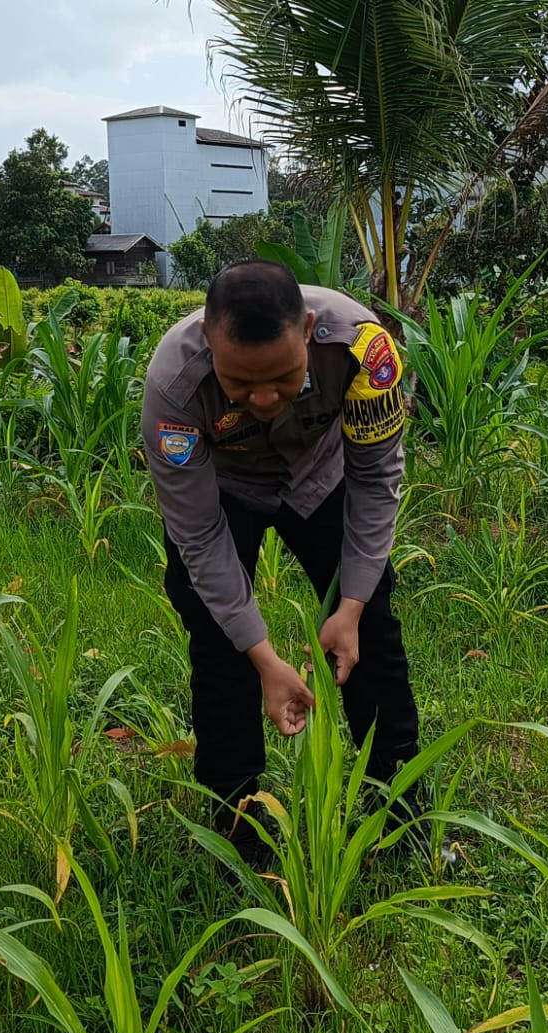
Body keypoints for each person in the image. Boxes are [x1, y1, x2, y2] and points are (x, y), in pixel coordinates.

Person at [140, 260, 422, 869]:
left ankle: (400, 815)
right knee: (219, 650)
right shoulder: (172, 387)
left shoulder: (366, 349)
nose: (264, 399)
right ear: (210, 346)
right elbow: (198, 534)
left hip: (323, 479)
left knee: (372, 632)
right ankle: (240, 833)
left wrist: (349, 606)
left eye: (285, 378)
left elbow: (375, 481)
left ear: (311, 329)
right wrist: (264, 659)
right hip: (227, 489)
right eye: (241, 384)